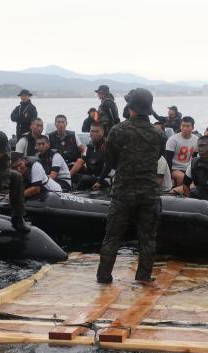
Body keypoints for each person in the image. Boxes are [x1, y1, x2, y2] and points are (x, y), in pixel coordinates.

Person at [95, 88, 167, 284]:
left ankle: (104, 276)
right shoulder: (159, 134)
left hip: (123, 190)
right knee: (148, 237)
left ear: (131, 107)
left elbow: (110, 161)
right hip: (149, 192)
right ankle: (143, 276)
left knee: (112, 237)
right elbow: (158, 156)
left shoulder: (117, 131)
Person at [165, 116, 199, 186]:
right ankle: (180, 195)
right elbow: (168, 159)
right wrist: (169, 176)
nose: (185, 128)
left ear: (192, 127)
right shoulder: (173, 140)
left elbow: (195, 158)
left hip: (188, 168)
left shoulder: (196, 140)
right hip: (174, 168)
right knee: (182, 177)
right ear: (180, 127)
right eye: (183, 126)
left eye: (188, 126)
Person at [72, 124, 106, 190]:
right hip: (90, 176)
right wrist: (68, 176)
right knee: (74, 176)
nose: (94, 134)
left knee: (85, 178)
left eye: (97, 131)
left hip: (103, 178)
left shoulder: (107, 147)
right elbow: (80, 162)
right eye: (92, 131)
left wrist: (99, 181)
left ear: (102, 132)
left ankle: (73, 192)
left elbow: (110, 166)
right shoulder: (89, 147)